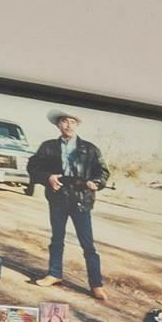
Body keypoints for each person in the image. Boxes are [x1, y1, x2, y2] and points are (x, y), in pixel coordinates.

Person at [29, 110, 108, 291]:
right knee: (57, 239)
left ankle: (96, 284)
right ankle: (54, 274)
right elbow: (32, 167)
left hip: (82, 200)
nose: (68, 125)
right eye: (64, 121)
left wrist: (96, 183)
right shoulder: (48, 147)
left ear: (77, 125)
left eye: (72, 121)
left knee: (87, 244)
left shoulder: (90, 148)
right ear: (58, 125)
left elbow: (102, 172)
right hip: (57, 199)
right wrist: (47, 177)